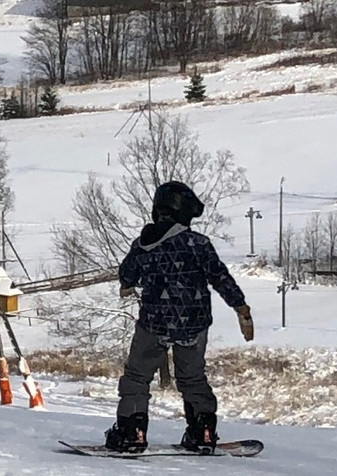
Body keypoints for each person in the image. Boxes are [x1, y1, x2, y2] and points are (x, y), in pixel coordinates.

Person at [104, 181, 255, 454]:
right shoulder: (198, 244)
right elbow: (220, 278)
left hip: (153, 323)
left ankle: (132, 432)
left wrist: (128, 283)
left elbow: (126, 275)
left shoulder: (143, 244)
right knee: (193, 377)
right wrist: (241, 307)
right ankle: (204, 431)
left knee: (137, 377)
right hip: (194, 326)